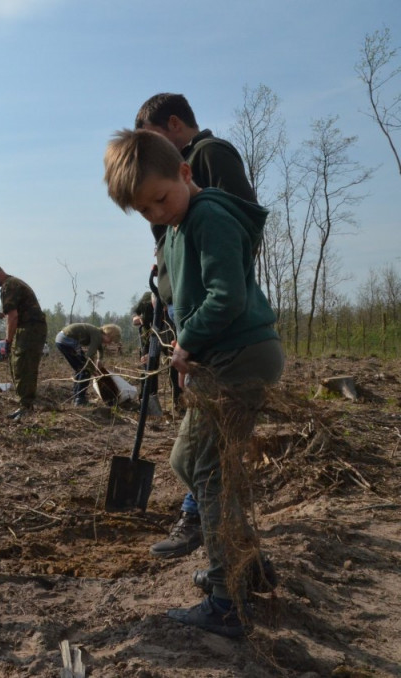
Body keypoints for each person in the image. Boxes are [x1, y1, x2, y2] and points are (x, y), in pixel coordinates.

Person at [104, 128, 283, 637]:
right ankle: (247, 565)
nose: (156, 213)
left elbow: (225, 296)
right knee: (188, 460)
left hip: (240, 356)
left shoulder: (210, 217)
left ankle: (228, 600)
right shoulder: (180, 226)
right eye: (144, 211)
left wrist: (189, 343)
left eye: (160, 199)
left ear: (185, 172)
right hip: (217, 359)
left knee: (211, 472)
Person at [135, 93, 257, 560]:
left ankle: (208, 527)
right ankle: (219, 526)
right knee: (196, 440)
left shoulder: (208, 155)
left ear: (172, 125)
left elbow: (240, 225)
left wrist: (208, 297)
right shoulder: (177, 184)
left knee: (207, 449)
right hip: (192, 316)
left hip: (217, 325)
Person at [0, 264, 47, 421]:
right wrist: (0, 314)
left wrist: (7, 341)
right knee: (20, 365)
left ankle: (26, 407)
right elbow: (12, 311)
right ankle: (25, 404)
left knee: (24, 366)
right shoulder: (13, 284)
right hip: (31, 328)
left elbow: (13, 315)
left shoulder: (9, 286)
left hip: (30, 329)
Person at [54, 323, 122, 406]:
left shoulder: (97, 332)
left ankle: (76, 397)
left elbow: (99, 348)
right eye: (111, 340)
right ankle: (79, 400)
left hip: (61, 339)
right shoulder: (97, 335)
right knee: (85, 371)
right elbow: (89, 356)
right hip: (67, 341)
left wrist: (99, 359)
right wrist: (93, 370)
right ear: (108, 334)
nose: (109, 343)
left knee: (80, 369)